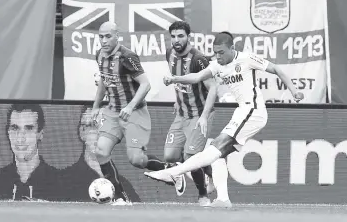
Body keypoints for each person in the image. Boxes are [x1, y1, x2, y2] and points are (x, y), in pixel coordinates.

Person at [145, 31, 304, 207]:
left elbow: (276, 69)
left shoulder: (246, 59)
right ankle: (223, 199)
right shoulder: (216, 65)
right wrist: (176, 79)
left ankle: (175, 172)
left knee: (214, 149)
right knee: (218, 157)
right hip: (241, 111)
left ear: (232, 49)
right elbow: (197, 77)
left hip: (253, 111)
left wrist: (294, 90)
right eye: (215, 52)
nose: (217, 56)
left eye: (221, 52)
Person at [92, 21, 181, 206]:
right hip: (112, 111)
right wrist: (95, 107)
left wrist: (130, 106)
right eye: (101, 36)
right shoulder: (99, 55)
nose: (104, 40)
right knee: (101, 151)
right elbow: (103, 81)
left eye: (108, 36)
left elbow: (145, 84)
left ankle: (171, 170)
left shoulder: (127, 57)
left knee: (137, 160)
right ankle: (119, 197)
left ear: (117, 36)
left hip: (134, 112)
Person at [160, 21, 218, 206]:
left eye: (180, 36)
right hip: (182, 114)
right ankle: (210, 170)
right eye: (173, 36)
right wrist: (177, 102)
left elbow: (213, 89)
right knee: (170, 157)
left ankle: (202, 195)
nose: (176, 40)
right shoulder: (169, 54)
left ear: (188, 37)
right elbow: (180, 85)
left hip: (200, 115)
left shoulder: (198, 59)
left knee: (190, 157)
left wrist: (204, 116)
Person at [58, 106, 141, 202]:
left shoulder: (125, 186)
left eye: (105, 126)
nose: (100, 133)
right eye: (92, 125)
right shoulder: (65, 180)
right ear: (82, 131)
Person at [0, 104, 60, 201]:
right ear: (8, 132)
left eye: (29, 128)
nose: (20, 138)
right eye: (14, 128)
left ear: (40, 134)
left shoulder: (59, 183)